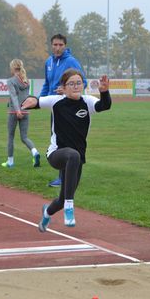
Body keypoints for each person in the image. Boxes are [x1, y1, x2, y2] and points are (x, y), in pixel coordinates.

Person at [22, 69, 111, 232]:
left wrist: (104, 92)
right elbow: (37, 101)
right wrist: (28, 102)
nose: (76, 86)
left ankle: (47, 213)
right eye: (71, 83)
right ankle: (70, 207)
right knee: (72, 154)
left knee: (61, 199)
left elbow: (104, 105)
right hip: (56, 154)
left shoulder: (87, 101)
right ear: (63, 87)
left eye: (78, 83)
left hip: (76, 161)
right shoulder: (56, 101)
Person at [41, 33, 88, 187]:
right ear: (51, 45)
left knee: (66, 142)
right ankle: (64, 175)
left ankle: (64, 178)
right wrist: (40, 101)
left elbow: (84, 82)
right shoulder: (49, 62)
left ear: (65, 46)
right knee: (57, 141)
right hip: (55, 108)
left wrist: (67, 91)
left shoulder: (71, 61)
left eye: (60, 45)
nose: (57, 47)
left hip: (68, 108)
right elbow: (47, 84)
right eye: (55, 44)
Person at [2, 59, 40, 168]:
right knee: (24, 137)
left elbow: (14, 96)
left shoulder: (11, 81)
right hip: (26, 110)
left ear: (13, 68)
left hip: (15, 111)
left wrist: (17, 110)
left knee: (10, 136)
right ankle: (35, 152)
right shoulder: (26, 81)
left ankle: (10, 162)